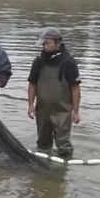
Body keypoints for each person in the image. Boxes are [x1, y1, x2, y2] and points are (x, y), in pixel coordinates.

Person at [27, 27, 81, 159]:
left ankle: (64, 169)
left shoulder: (69, 62)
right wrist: (31, 105)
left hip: (62, 110)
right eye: (43, 43)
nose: (44, 46)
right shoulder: (38, 61)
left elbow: (75, 88)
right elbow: (32, 84)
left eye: (47, 43)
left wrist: (76, 111)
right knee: (43, 144)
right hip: (42, 109)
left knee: (63, 144)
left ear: (58, 43)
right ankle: (43, 169)